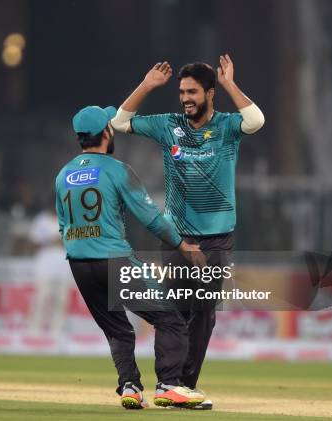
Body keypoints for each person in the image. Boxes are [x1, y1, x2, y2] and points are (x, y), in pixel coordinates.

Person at [111, 54, 265, 409]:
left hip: (217, 238)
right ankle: (170, 383)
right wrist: (147, 86)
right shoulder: (169, 125)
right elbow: (120, 123)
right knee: (174, 311)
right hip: (177, 237)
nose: (185, 98)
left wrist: (230, 84)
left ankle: (183, 383)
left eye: (193, 91)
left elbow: (256, 120)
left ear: (210, 93)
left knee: (204, 312)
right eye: (182, 92)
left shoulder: (227, 126)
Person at [55, 105, 207, 410]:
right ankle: (169, 385)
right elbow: (150, 217)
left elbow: (63, 225)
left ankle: (130, 386)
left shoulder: (64, 174)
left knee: (117, 329)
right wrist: (183, 246)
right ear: (106, 132)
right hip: (114, 261)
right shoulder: (116, 170)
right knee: (170, 319)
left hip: (79, 264)